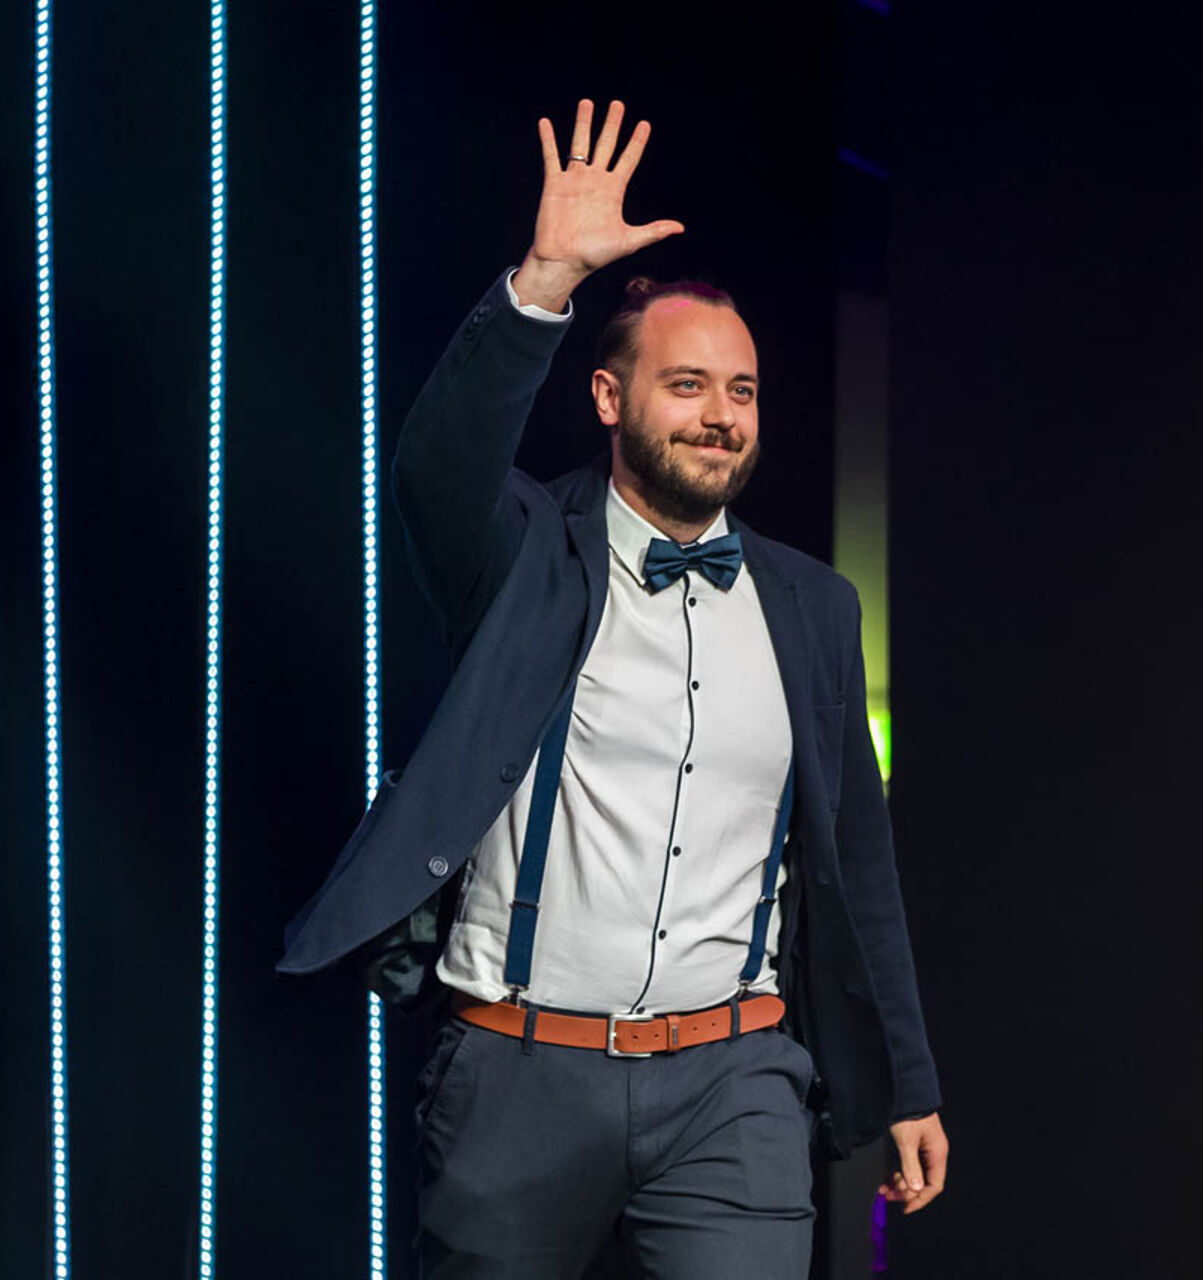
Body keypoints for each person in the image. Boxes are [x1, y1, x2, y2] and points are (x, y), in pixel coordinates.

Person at [277, 98, 947, 1277]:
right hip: (518, 1070)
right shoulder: (525, 552)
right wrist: (542, 282)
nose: (720, 417)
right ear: (608, 398)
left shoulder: (814, 606)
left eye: (741, 391)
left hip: (733, 1078)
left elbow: (859, 859)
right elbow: (436, 467)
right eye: (687, 385)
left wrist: (908, 1079)